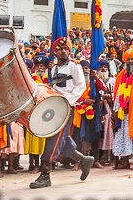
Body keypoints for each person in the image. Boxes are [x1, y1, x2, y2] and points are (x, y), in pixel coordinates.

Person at [29, 37, 94, 188]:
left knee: (55, 139)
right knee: (61, 139)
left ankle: (45, 174)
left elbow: (81, 86)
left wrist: (68, 101)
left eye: (66, 49)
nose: (64, 51)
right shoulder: (54, 68)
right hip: (55, 106)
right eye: (60, 49)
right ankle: (84, 160)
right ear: (55, 52)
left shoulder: (74, 66)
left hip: (65, 107)